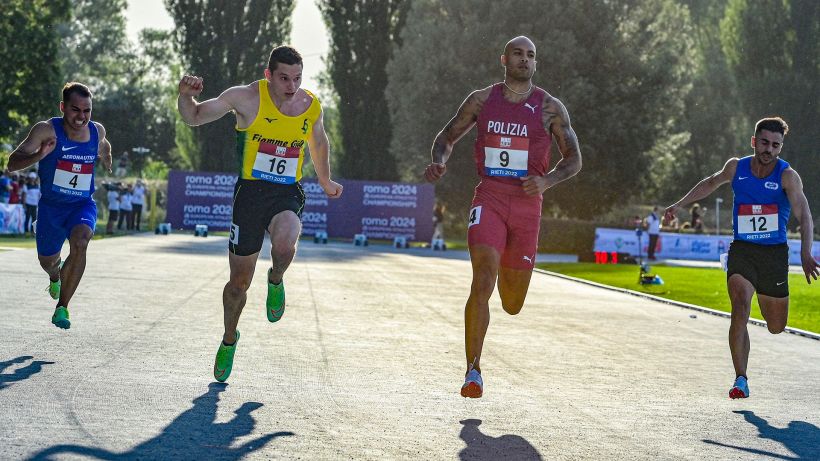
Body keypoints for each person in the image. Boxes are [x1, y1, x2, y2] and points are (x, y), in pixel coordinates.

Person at [424, 36, 582, 398]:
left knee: (512, 302)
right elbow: (446, 138)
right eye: (518, 54)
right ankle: (473, 370)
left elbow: (573, 159)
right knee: (483, 279)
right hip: (490, 197)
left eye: (531, 56)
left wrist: (547, 181)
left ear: (535, 64)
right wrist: (440, 161)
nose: (525, 60)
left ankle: (490, 335)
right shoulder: (481, 100)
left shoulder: (550, 108)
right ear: (504, 59)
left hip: (528, 205)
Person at [177, 45, 343, 382]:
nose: (291, 86)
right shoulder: (245, 98)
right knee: (238, 284)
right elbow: (193, 116)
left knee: (285, 245)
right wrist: (184, 95)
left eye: (297, 78)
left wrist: (325, 180)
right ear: (268, 75)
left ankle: (277, 279)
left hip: (286, 193)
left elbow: (319, 141)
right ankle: (229, 338)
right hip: (249, 196)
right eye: (284, 78)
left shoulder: (310, 105)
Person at [665, 117, 818, 399]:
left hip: (773, 255)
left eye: (775, 145)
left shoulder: (787, 176)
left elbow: (804, 215)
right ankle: (741, 379)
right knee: (739, 305)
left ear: (780, 147)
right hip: (743, 249)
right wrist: (679, 205)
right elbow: (709, 183)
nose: (769, 150)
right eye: (764, 143)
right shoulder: (737, 167)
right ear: (753, 141)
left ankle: (766, 299)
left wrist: (806, 252)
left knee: (775, 326)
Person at [6, 82, 112, 329]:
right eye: (75, 110)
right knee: (48, 262)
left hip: (81, 205)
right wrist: (38, 156)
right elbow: (12, 163)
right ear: (63, 107)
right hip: (51, 209)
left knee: (81, 242)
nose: (81, 117)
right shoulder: (46, 131)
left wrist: (106, 158)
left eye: (87, 111)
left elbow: (104, 145)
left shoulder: (97, 131)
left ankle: (62, 308)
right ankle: (55, 276)